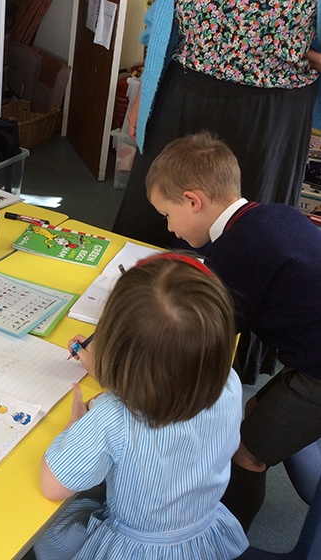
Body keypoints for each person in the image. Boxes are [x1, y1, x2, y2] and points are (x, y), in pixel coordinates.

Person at [146, 132, 321, 531]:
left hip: (317, 372)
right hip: (310, 353)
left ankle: (226, 537)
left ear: (193, 201)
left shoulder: (237, 251)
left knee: (245, 452)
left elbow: (202, 333)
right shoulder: (270, 215)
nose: (170, 228)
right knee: (252, 410)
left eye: (167, 215)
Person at [35, 254, 248, 560]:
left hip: (136, 549)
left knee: (50, 537)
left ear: (114, 344)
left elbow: (52, 486)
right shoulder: (228, 382)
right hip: (201, 532)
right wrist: (113, 374)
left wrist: (75, 424)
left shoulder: (114, 415)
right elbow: (173, 385)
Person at [112, 0, 321, 250]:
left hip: (271, 114)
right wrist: (145, 89)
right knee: (147, 223)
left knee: (250, 244)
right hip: (182, 91)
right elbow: (161, 23)